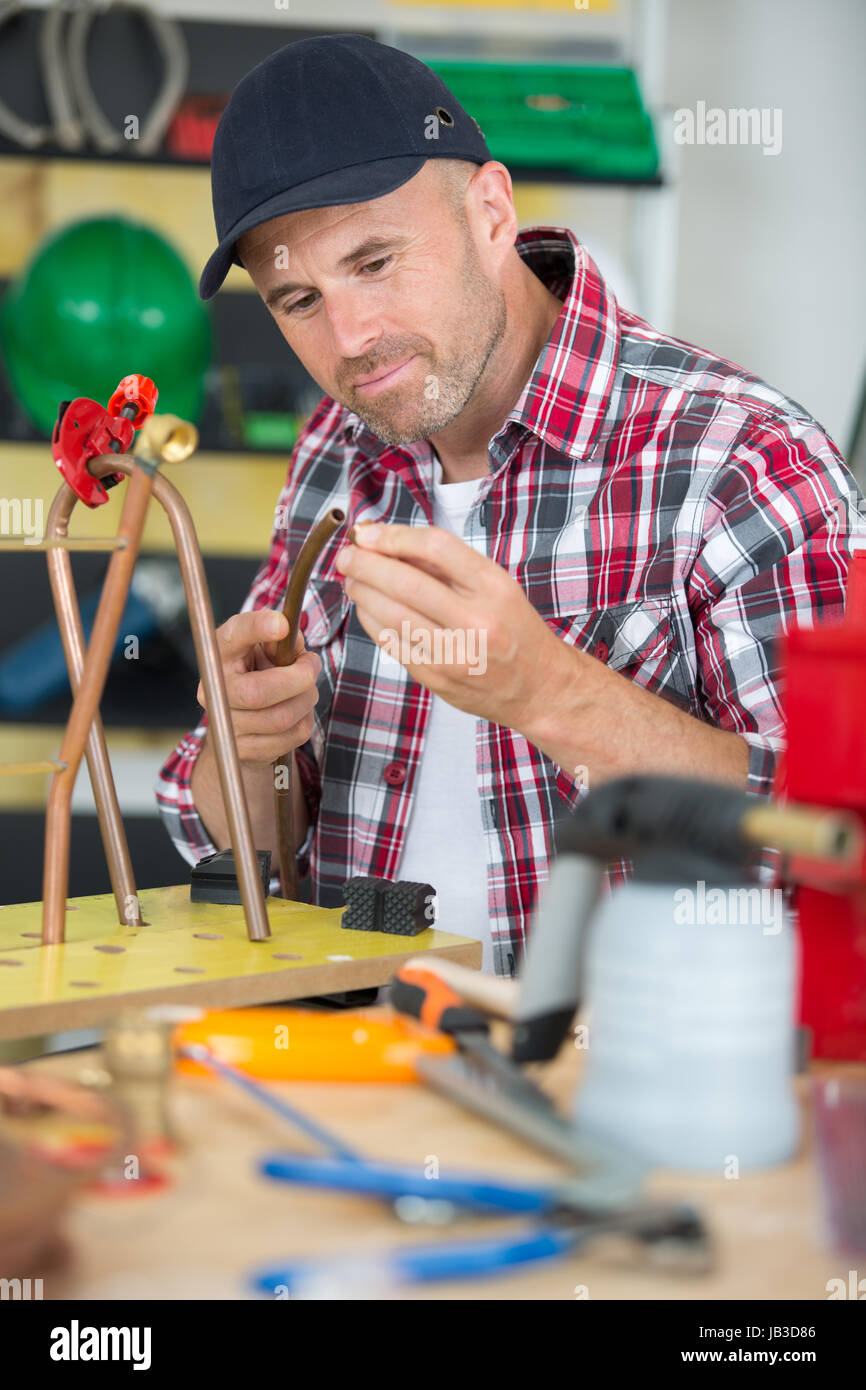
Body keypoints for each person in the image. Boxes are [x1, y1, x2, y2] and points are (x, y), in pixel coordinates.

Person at [157, 35, 862, 976]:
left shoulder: (739, 456)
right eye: (298, 299)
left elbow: (836, 844)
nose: (353, 338)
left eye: (375, 262)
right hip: (348, 1067)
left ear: (491, 210)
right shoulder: (337, 445)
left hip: (611, 1096)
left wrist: (545, 689)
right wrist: (247, 752)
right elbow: (232, 839)